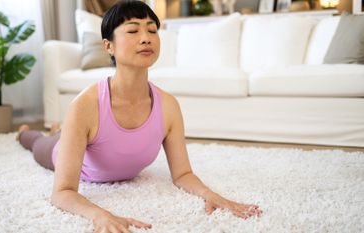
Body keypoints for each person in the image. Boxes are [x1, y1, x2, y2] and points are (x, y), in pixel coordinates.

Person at [17, 1, 262, 232]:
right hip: (60, 154)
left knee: (64, 132)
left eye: (152, 30)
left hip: (86, 133)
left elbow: (183, 174)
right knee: (36, 142)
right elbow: (62, 192)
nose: (146, 38)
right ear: (108, 45)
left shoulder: (168, 106)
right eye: (133, 31)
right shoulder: (84, 105)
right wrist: (100, 215)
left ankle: (62, 129)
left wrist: (212, 195)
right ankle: (27, 133)